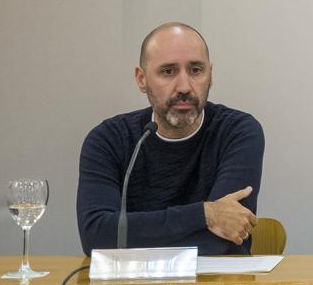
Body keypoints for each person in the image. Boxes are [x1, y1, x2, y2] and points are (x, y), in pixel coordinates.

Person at [76, 22, 264, 255]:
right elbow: (96, 237)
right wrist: (206, 214)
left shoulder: (237, 132)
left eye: (196, 70)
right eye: (168, 71)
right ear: (141, 79)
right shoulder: (108, 140)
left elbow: (221, 241)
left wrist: (137, 233)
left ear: (211, 75)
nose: (184, 86)